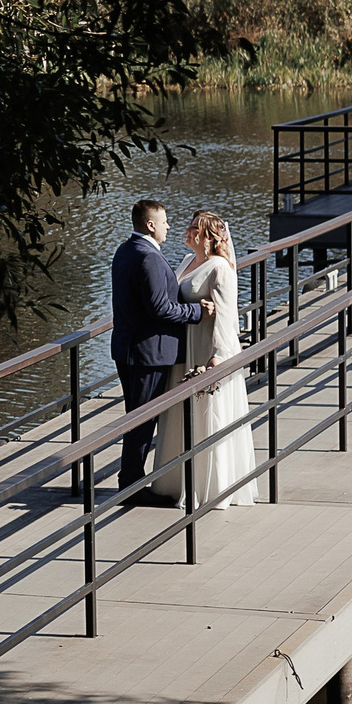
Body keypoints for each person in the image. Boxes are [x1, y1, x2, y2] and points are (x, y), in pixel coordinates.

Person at [152, 211, 260, 509]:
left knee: (206, 415)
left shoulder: (220, 269)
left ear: (209, 238)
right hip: (183, 350)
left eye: (193, 229)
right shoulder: (188, 262)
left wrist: (218, 359)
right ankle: (175, 482)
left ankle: (211, 487)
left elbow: (226, 318)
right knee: (179, 416)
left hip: (204, 350)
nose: (186, 231)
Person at [109, 199, 214, 504]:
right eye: (165, 221)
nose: (169, 226)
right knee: (142, 420)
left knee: (137, 417)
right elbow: (160, 309)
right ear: (151, 224)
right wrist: (197, 312)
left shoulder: (125, 250)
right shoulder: (149, 258)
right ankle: (130, 487)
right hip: (148, 353)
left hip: (129, 348)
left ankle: (130, 482)